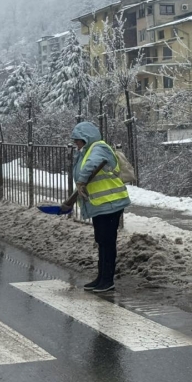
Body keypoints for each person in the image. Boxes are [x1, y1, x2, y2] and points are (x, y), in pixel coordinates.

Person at [60, 122, 131, 293]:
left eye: (78, 141)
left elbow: (93, 163)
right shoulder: (88, 150)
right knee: (102, 241)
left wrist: (82, 180)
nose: (76, 144)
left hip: (111, 203)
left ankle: (107, 280)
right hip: (102, 204)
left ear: (86, 137)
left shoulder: (99, 148)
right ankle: (101, 278)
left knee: (107, 242)